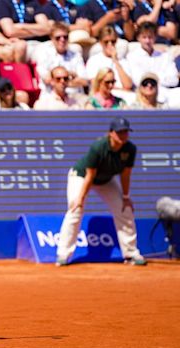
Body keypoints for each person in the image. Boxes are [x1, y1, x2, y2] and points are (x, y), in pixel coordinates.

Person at [56, 117, 147, 267]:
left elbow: (125, 174)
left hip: (106, 180)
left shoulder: (130, 149)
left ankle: (131, 253)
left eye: (126, 132)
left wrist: (126, 197)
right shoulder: (98, 147)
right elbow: (90, 176)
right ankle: (63, 255)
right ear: (111, 133)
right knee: (75, 209)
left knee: (125, 210)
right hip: (82, 177)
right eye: (120, 132)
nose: (123, 135)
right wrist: (81, 198)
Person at [35, 22, 88, 95]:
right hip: (52, 97)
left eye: (65, 37)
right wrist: (72, 75)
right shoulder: (43, 54)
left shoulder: (76, 55)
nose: (62, 40)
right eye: (58, 38)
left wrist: (58, 79)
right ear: (52, 38)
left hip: (75, 97)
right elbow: (47, 79)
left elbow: (84, 81)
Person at [85, 26, 133, 92]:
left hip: (123, 95)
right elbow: (96, 85)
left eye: (113, 41)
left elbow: (128, 85)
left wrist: (116, 61)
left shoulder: (123, 61)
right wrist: (120, 89)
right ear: (101, 42)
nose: (110, 45)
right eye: (106, 42)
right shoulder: (93, 61)